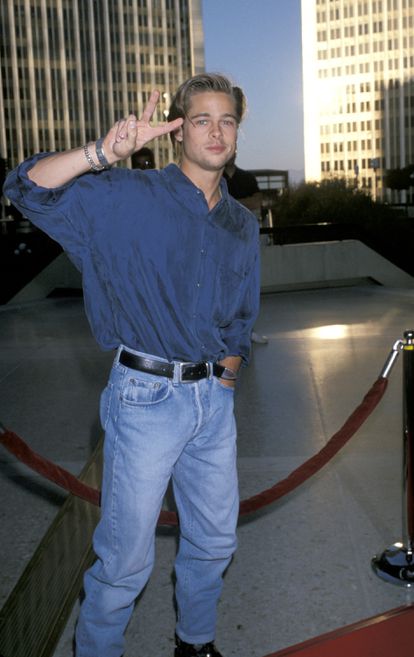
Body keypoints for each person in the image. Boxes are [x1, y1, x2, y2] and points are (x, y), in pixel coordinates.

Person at [4, 73, 260, 657]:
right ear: (177, 132)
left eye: (227, 120)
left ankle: (194, 643)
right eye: (201, 119)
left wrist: (224, 378)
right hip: (145, 397)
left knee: (216, 540)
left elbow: (240, 314)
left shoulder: (241, 225)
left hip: (211, 405)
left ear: (238, 133)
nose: (216, 131)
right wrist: (102, 153)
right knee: (125, 559)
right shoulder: (124, 195)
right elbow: (24, 188)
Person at [224, 157, 268, 345]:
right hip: (222, 240)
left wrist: (229, 201)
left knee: (246, 287)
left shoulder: (247, 177)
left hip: (244, 239)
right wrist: (244, 202)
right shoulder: (214, 176)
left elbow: (257, 202)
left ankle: (247, 332)